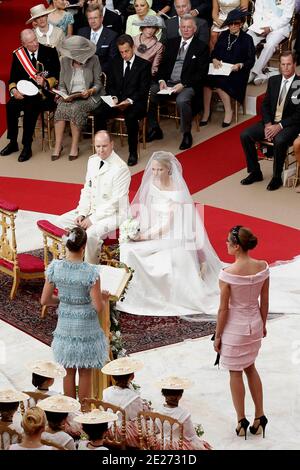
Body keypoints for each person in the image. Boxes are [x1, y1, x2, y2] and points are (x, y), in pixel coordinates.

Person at [117, 151, 221, 316]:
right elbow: (147, 211)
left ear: (168, 170)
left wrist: (144, 237)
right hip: (154, 228)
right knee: (127, 248)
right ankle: (134, 294)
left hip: (173, 233)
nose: (156, 173)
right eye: (153, 170)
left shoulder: (176, 190)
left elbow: (167, 226)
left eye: (159, 170)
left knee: (152, 254)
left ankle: (152, 295)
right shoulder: (152, 183)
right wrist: (137, 228)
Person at [41, 226, 110, 402]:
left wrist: (63, 300)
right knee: (85, 372)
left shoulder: (55, 267)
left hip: (65, 328)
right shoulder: (91, 272)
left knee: (68, 372)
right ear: (84, 246)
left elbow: (45, 300)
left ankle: (69, 414)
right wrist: (104, 298)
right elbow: (97, 307)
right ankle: (85, 414)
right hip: (87, 330)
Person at [214, 225, 269, 440]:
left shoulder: (227, 274)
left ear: (237, 246)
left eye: (228, 242)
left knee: (235, 372)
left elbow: (223, 309)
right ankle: (260, 416)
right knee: (251, 368)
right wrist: (262, 325)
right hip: (254, 325)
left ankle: (241, 420)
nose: (226, 244)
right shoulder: (263, 267)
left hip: (234, 330)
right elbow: (264, 301)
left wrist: (218, 336)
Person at [55, 131, 131, 264]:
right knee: (61, 221)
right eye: (98, 146)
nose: (100, 150)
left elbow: (116, 203)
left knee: (91, 235)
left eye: (104, 146)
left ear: (112, 144)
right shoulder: (93, 161)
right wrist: (82, 212)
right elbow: (87, 189)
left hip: (115, 214)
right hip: (91, 210)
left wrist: (92, 219)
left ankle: (90, 270)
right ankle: (70, 260)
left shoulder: (121, 169)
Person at [147, 15, 209, 150]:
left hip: (187, 84)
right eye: (183, 27)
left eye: (189, 27)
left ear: (195, 29)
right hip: (168, 82)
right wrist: (162, 80)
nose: (186, 30)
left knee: (182, 100)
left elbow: (201, 73)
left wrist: (184, 84)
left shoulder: (201, 46)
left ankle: (187, 133)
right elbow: (162, 65)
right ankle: (155, 128)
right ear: (179, 28)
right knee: (150, 92)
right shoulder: (171, 43)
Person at [240, 51, 300, 191]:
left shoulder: (298, 84)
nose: (285, 67)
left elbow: (298, 114)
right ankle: (255, 172)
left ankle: (276, 177)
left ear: (295, 65)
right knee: (245, 135)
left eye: (288, 64)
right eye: (283, 64)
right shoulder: (274, 80)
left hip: (290, 124)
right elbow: (265, 105)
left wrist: (278, 126)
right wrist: (268, 125)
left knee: (279, 140)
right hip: (271, 122)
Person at [0, 29, 60, 162]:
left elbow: (56, 76)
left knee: (30, 107)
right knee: (11, 105)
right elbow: (12, 79)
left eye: (35, 39)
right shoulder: (18, 55)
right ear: (23, 44)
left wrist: (45, 81)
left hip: (44, 94)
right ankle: (13, 142)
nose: (35, 43)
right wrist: (14, 91)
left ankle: (27, 146)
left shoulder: (50, 51)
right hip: (24, 93)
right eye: (31, 42)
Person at [93, 35, 152, 166]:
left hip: (135, 103)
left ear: (133, 48)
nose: (124, 55)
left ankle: (132, 153)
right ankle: (102, 150)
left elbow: (143, 90)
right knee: (99, 113)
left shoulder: (144, 65)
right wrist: (114, 98)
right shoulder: (115, 63)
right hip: (117, 102)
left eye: (127, 51)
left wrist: (129, 101)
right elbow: (110, 86)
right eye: (121, 52)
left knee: (131, 117)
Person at [52, 35, 105, 161]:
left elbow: (99, 83)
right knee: (60, 107)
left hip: (89, 96)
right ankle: (58, 146)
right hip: (71, 95)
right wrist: (64, 94)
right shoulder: (64, 60)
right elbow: (61, 84)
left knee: (75, 108)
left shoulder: (94, 59)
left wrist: (90, 91)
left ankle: (74, 146)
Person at [202, 8, 255, 127]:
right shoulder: (224, 35)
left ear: (241, 24)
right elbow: (215, 52)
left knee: (220, 83)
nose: (233, 26)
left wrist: (240, 65)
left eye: (236, 23)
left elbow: (251, 61)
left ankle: (228, 111)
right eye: (230, 23)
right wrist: (214, 59)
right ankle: (206, 112)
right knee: (205, 81)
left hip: (238, 73)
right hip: (221, 69)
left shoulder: (247, 39)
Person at [102, 357, 149, 447]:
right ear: (132, 376)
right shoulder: (133, 397)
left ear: (113, 376)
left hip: (105, 428)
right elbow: (136, 419)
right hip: (120, 432)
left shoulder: (106, 391)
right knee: (147, 428)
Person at [155, 376, 212, 450]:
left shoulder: (157, 411)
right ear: (180, 396)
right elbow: (191, 436)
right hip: (177, 446)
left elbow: (155, 430)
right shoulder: (184, 414)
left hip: (161, 443)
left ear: (164, 394)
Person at [247, 0, 295, 85]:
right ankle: (260, 72)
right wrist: (259, 26)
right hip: (261, 25)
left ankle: (254, 72)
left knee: (270, 45)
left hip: (279, 27)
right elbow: (257, 12)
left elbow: (286, 17)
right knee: (246, 40)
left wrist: (271, 28)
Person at [78, 4, 118, 74]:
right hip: (82, 71)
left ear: (101, 18)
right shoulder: (81, 32)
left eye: (95, 18)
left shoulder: (112, 35)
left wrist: (95, 70)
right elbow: (78, 54)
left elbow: (112, 61)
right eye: (90, 18)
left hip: (102, 73)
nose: (92, 21)